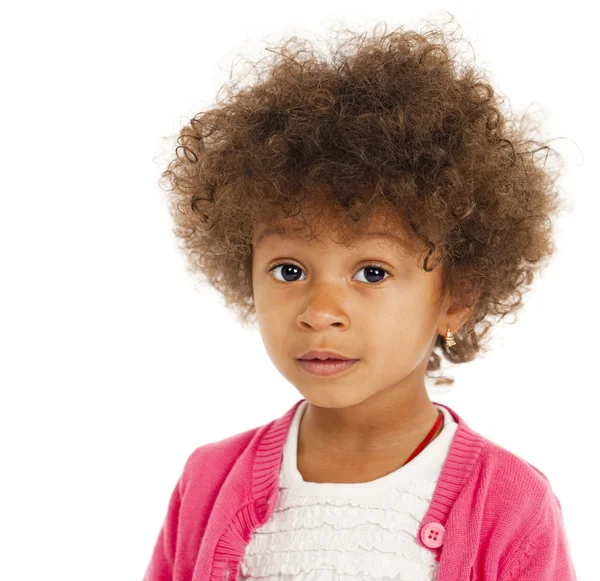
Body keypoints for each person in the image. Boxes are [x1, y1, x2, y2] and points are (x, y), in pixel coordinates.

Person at [143, 16, 577, 581]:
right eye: (289, 269)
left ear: (456, 296)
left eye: (371, 272)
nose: (320, 311)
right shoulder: (208, 481)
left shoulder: (511, 504)